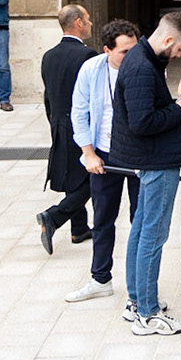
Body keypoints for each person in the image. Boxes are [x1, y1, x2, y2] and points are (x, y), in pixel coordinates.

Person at [111, 10, 181, 336]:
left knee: (141, 230)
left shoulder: (145, 60)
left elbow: (147, 109)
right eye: (179, 50)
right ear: (167, 39)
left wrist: (175, 103)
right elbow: (142, 122)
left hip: (151, 158)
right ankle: (147, 314)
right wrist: (179, 111)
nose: (179, 56)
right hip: (156, 161)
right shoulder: (141, 69)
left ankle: (137, 301)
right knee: (153, 235)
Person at [64, 19, 140, 303]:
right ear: (107, 50)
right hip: (104, 151)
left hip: (136, 153)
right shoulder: (91, 69)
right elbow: (78, 113)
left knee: (140, 220)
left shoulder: (144, 66)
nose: (131, 56)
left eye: (134, 49)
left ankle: (139, 285)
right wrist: (88, 153)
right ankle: (100, 278)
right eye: (124, 51)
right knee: (103, 219)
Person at [38, 5, 95, 252]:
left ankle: (79, 228)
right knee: (96, 175)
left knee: (74, 174)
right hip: (81, 125)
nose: (91, 23)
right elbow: (95, 97)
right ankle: (54, 216)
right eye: (89, 19)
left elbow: (47, 96)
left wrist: (54, 122)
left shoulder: (48, 56)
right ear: (79, 23)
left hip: (58, 123)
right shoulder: (88, 56)